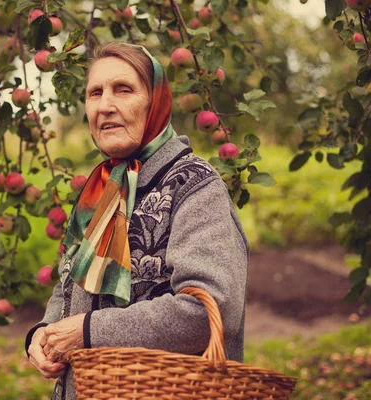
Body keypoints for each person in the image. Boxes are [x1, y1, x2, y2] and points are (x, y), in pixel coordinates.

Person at [24, 42, 249, 400]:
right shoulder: (102, 189)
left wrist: (88, 331)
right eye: (95, 93)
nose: (105, 105)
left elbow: (211, 310)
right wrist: (42, 333)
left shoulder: (193, 187)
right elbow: (71, 286)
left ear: (155, 102)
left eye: (123, 89)